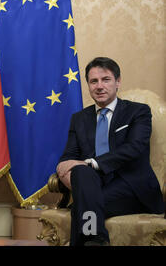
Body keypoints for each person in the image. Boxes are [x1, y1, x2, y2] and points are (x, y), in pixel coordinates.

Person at [56, 57, 163, 246]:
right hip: (94, 184)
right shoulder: (79, 119)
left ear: (118, 82)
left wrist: (91, 163)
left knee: (81, 206)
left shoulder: (138, 111)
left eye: (106, 79)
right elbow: (69, 156)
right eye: (93, 81)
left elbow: (134, 147)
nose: (99, 86)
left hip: (132, 186)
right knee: (81, 173)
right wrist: (63, 168)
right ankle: (95, 241)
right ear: (88, 85)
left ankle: (92, 240)